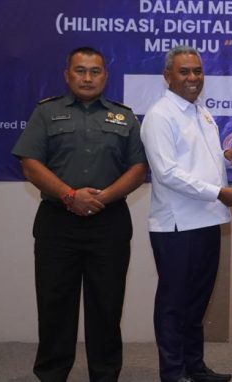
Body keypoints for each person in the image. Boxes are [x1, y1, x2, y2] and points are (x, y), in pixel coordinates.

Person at [11, 46, 148, 382]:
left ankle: (105, 374)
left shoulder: (124, 116)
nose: (88, 78)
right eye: (80, 70)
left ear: (105, 76)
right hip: (57, 221)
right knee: (55, 303)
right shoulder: (46, 113)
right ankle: (52, 374)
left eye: (95, 71)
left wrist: (102, 198)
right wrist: (70, 196)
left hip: (109, 222)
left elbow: (138, 167)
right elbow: (30, 163)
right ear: (67, 75)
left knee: (107, 304)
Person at [140, 46, 232, 382]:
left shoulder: (200, 111)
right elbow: (168, 173)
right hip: (177, 225)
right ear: (167, 76)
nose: (192, 78)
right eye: (184, 71)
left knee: (197, 301)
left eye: (198, 71)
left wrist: (225, 157)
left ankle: (194, 367)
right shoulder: (160, 115)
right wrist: (218, 192)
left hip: (208, 220)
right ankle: (173, 372)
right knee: (174, 304)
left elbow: (199, 159)